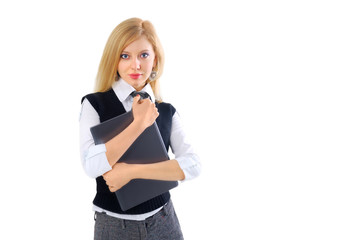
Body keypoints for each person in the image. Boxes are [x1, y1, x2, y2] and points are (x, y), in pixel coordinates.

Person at [79, 17, 201, 240]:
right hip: (114, 226)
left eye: (144, 55)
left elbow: (193, 164)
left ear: (155, 60)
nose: (136, 65)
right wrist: (138, 124)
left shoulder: (166, 111)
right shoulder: (94, 105)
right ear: (114, 60)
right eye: (125, 56)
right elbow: (90, 165)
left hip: (164, 220)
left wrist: (132, 172)